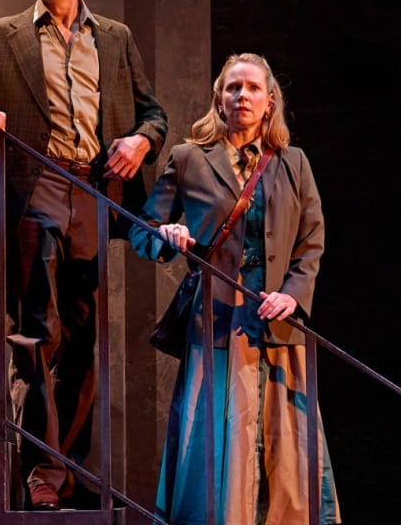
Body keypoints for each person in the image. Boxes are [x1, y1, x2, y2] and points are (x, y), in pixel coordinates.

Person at [0, 0, 167, 511]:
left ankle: (64, 468)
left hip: (93, 190)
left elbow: (153, 115)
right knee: (37, 333)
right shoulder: (3, 35)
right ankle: (40, 469)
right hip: (32, 184)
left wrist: (140, 143)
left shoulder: (114, 38)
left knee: (83, 341)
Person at [130, 53, 341, 524]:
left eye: (251, 88)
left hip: (277, 323)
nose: (241, 95)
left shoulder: (293, 163)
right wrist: (166, 236)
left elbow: (312, 239)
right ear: (218, 100)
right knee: (217, 441)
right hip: (217, 323)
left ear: (270, 102)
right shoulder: (188, 158)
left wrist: (293, 293)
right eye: (232, 88)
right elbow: (142, 230)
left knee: (288, 446)